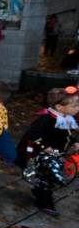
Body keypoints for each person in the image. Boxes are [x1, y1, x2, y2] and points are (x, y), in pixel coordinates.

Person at [15, 87, 79, 216]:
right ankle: (45, 202)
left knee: (45, 177)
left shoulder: (65, 118)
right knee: (45, 177)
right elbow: (33, 136)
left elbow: (66, 134)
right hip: (41, 155)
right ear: (59, 107)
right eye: (74, 105)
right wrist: (44, 147)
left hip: (55, 152)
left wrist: (73, 142)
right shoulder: (46, 120)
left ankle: (40, 193)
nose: (78, 108)